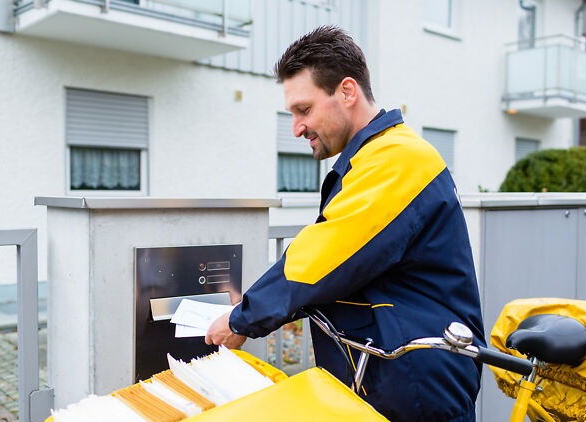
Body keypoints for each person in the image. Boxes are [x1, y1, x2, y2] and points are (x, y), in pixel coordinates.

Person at [206, 25, 485, 421]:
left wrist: (242, 319)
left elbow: (323, 259)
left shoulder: (398, 160)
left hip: (417, 381)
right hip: (394, 371)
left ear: (347, 92)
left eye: (304, 110)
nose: (297, 128)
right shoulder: (374, 160)